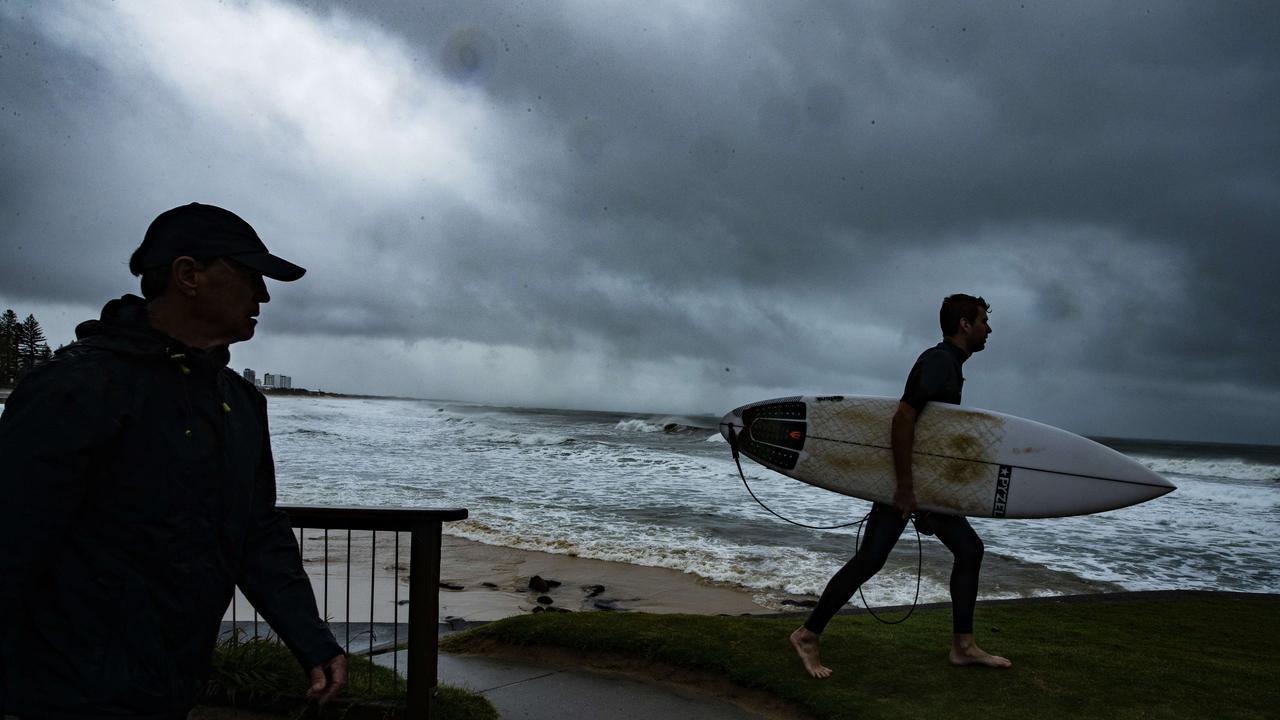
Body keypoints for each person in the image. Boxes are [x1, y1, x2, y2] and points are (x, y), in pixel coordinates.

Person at [0, 203, 347, 717]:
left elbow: (257, 531)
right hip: (58, 693)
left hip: (171, 687)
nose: (264, 295)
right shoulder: (77, 387)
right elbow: (10, 542)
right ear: (188, 275)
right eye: (250, 275)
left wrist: (311, 639)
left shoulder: (240, 404)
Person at [789, 294, 1011, 679]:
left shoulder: (949, 364)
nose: (988, 329)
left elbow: (929, 433)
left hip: (917, 482)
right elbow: (903, 418)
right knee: (961, 551)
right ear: (964, 325)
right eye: (983, 321)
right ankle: (808, 634)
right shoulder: (940, 361)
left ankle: (962, 646)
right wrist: (907, 489)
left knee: (894, 557)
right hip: (907, 482)